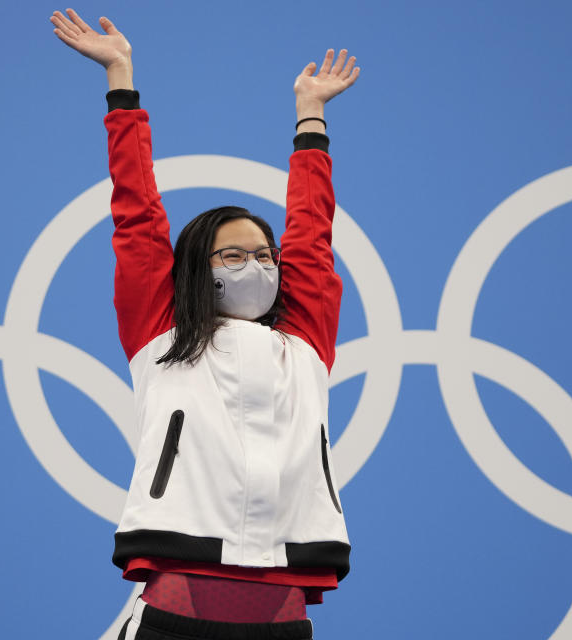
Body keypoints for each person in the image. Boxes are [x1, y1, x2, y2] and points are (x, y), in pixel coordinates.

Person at [50, 8, 360, 639]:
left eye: (265, 255)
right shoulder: (162, 335)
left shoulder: (303, 344)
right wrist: (120, 78)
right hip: (174, 615)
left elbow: (313, 233)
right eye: (234, 255)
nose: (257, 265)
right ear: (196, 267)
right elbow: (136, 214)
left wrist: (311, 116)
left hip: (282, 617)